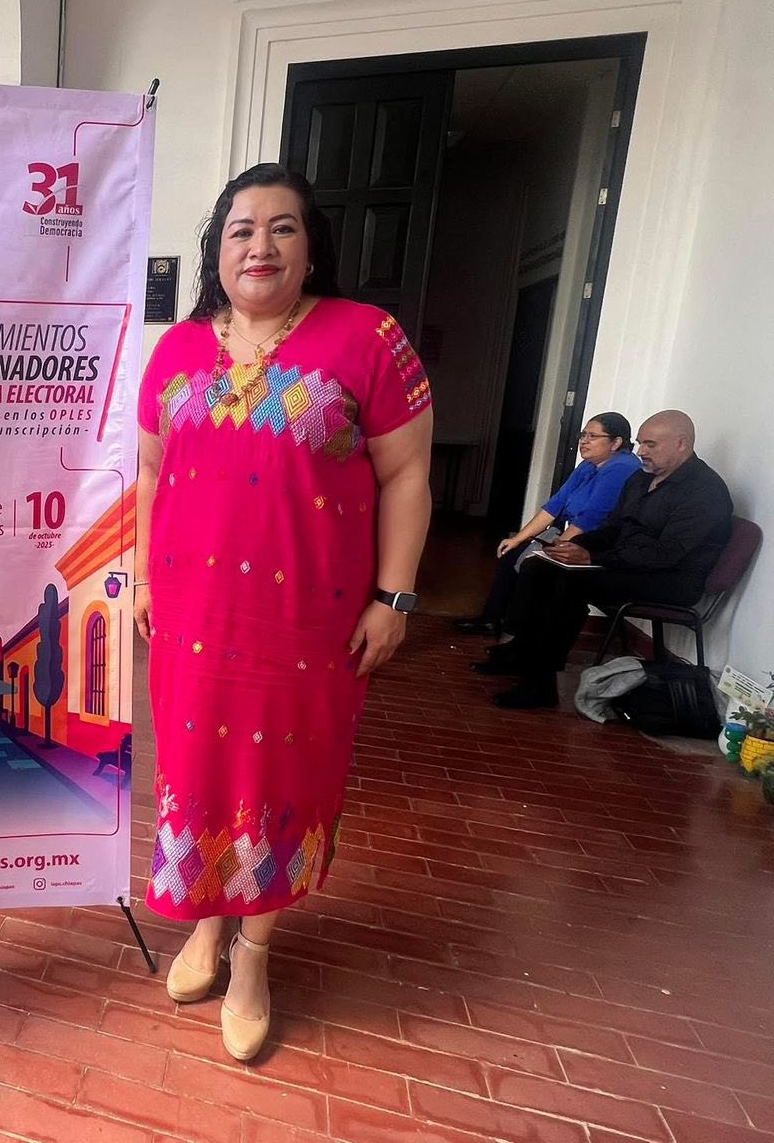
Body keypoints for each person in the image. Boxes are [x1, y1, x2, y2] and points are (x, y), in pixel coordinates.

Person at [134, 163, 434, 1062]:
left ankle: (255, 955)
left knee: (280, 778)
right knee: (196, 766)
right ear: (216, 250)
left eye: (282, 228)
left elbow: (407, 475)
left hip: (306, 622)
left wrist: (394, 595)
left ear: (311, 248)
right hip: (191, 614)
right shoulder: (178, 349)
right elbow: (148, 471)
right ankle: (206, 926)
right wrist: (143, 580)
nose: (259, 246)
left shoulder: (368, 337)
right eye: (240, 229)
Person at [476, 410, 732, 709]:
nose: (641, 452)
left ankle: (539, 684)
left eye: (650, 445)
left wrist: (591, 557)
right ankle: (519, 651)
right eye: (640, 443)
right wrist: (573, 545)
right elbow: (614, 527)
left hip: (670, 580)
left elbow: (664, 555)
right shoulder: (641, 478)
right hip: (630, 565)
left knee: (569, 582)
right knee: (539, 566)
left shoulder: (704, 491)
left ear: (681, 444)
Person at [454, 412, 641, 636]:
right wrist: (518, 539)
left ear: (616, 442)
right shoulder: (589, 465)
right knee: (512, 553)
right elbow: (555, 505)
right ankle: (492, 620)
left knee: (534, 565)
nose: (584, 441)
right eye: (583, 435)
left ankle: (518, 632)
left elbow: (591, 518)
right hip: (573, 533)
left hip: (596, 543)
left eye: (592, 436)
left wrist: (555, 548)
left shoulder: (621, 467)